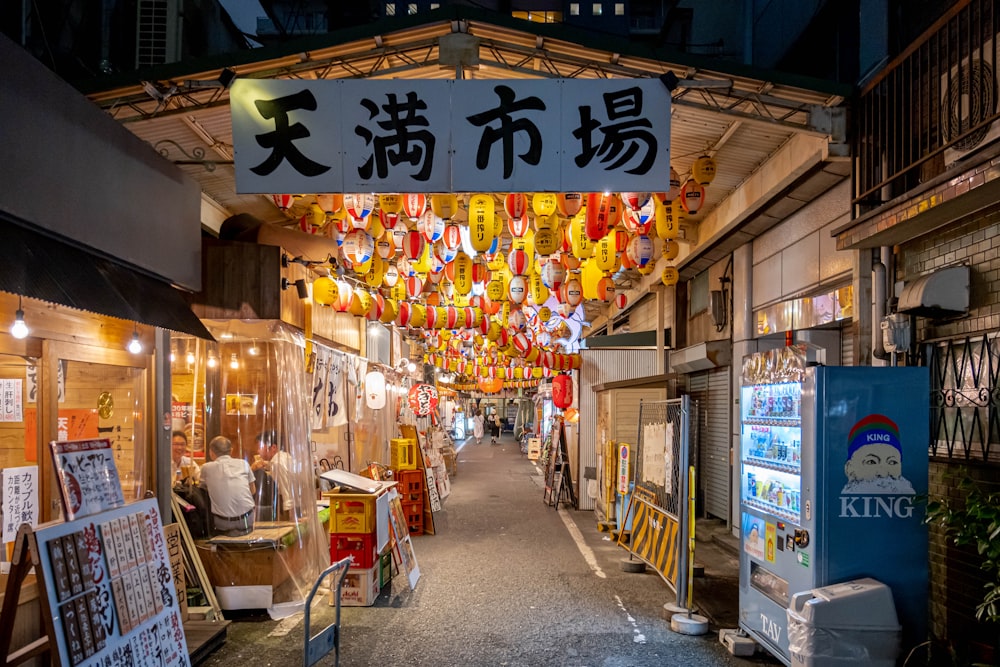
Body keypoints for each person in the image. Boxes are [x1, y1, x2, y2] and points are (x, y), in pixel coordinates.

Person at [200, 435, 256, 536]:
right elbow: (253, 490)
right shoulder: (244, 463)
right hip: (247, 520)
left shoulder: (206, 468)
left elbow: (203, 490)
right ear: (231, 450)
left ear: (211, 452)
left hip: (223, 523)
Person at [251, 430, 296, 519]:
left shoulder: (277, 463)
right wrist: (265, 464)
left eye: (260, 447)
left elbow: (287, 493)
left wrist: (290, 519)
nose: (258, 451)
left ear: (273, 447)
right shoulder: (283, 456)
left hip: (289, 507)